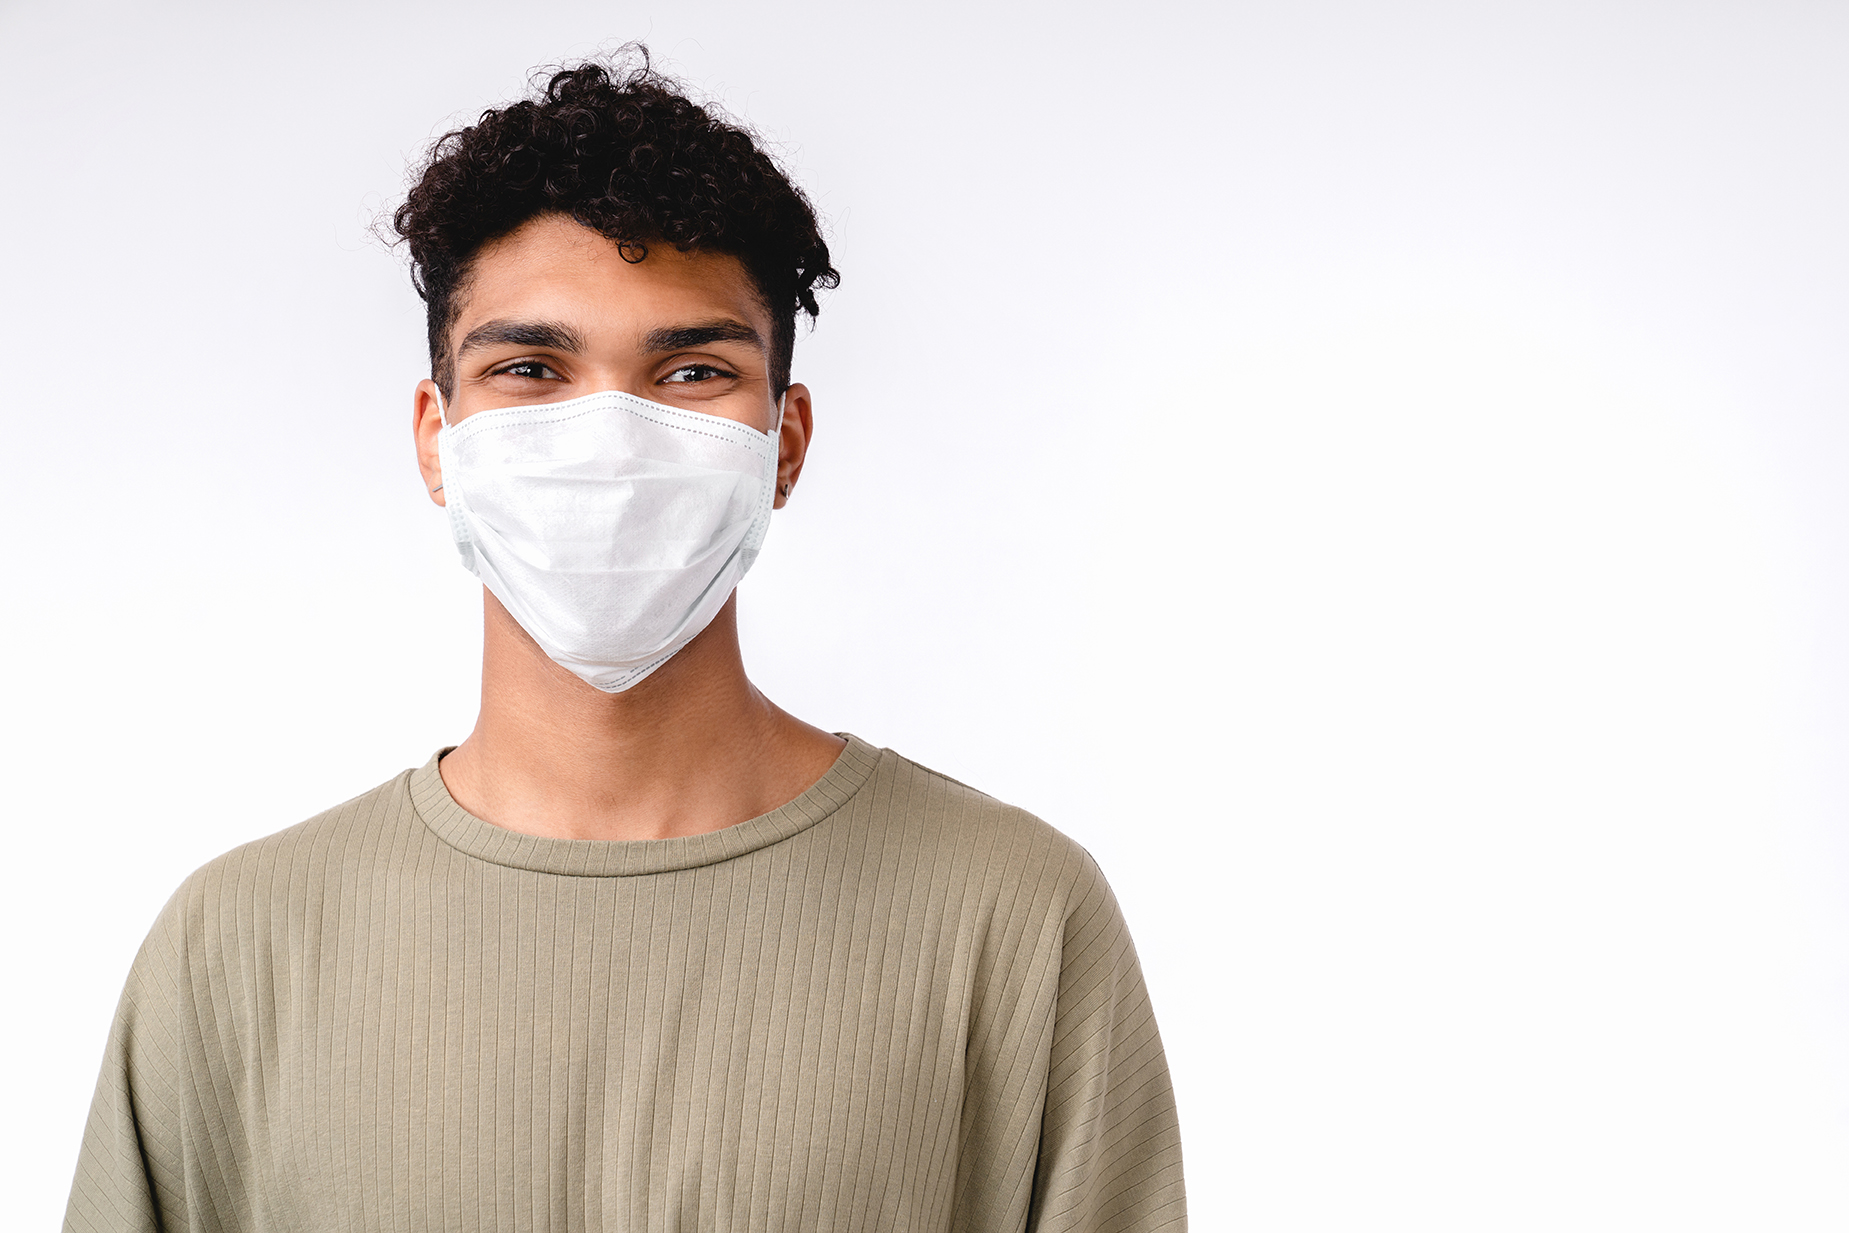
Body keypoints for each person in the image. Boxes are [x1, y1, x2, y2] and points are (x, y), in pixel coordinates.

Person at [64, 51, 1187, 1233]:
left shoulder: (1010, 919)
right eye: (530, 369)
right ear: (437, 438)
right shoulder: (237, 947)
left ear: (783, 440)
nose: (607, 433)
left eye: (692, 370)